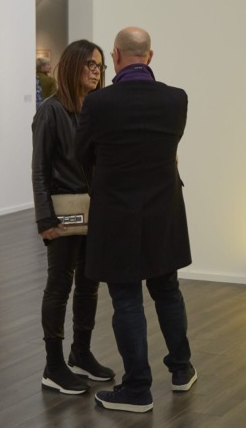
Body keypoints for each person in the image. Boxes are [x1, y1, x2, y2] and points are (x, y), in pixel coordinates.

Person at [75, 26, 196, 414]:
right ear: (150, 56)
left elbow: (82, 155)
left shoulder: (98, 104)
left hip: (117, 214)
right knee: (167, 289)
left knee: (126, 298)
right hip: (164, 210)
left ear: (115, 56)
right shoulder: (176, 100)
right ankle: (182, 370)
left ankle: (138, 389)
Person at [31, 39, 116, 395]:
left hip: (94, 211)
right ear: (73, 67)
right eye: (90, 66)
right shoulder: (50, 111)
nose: (96, 72)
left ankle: (80, 353)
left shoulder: (95, 110)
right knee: (59, 286)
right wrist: (45, 220)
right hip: (62, 214)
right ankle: (53, 366)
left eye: (100, 66)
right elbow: (39, 170)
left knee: (88, 283)